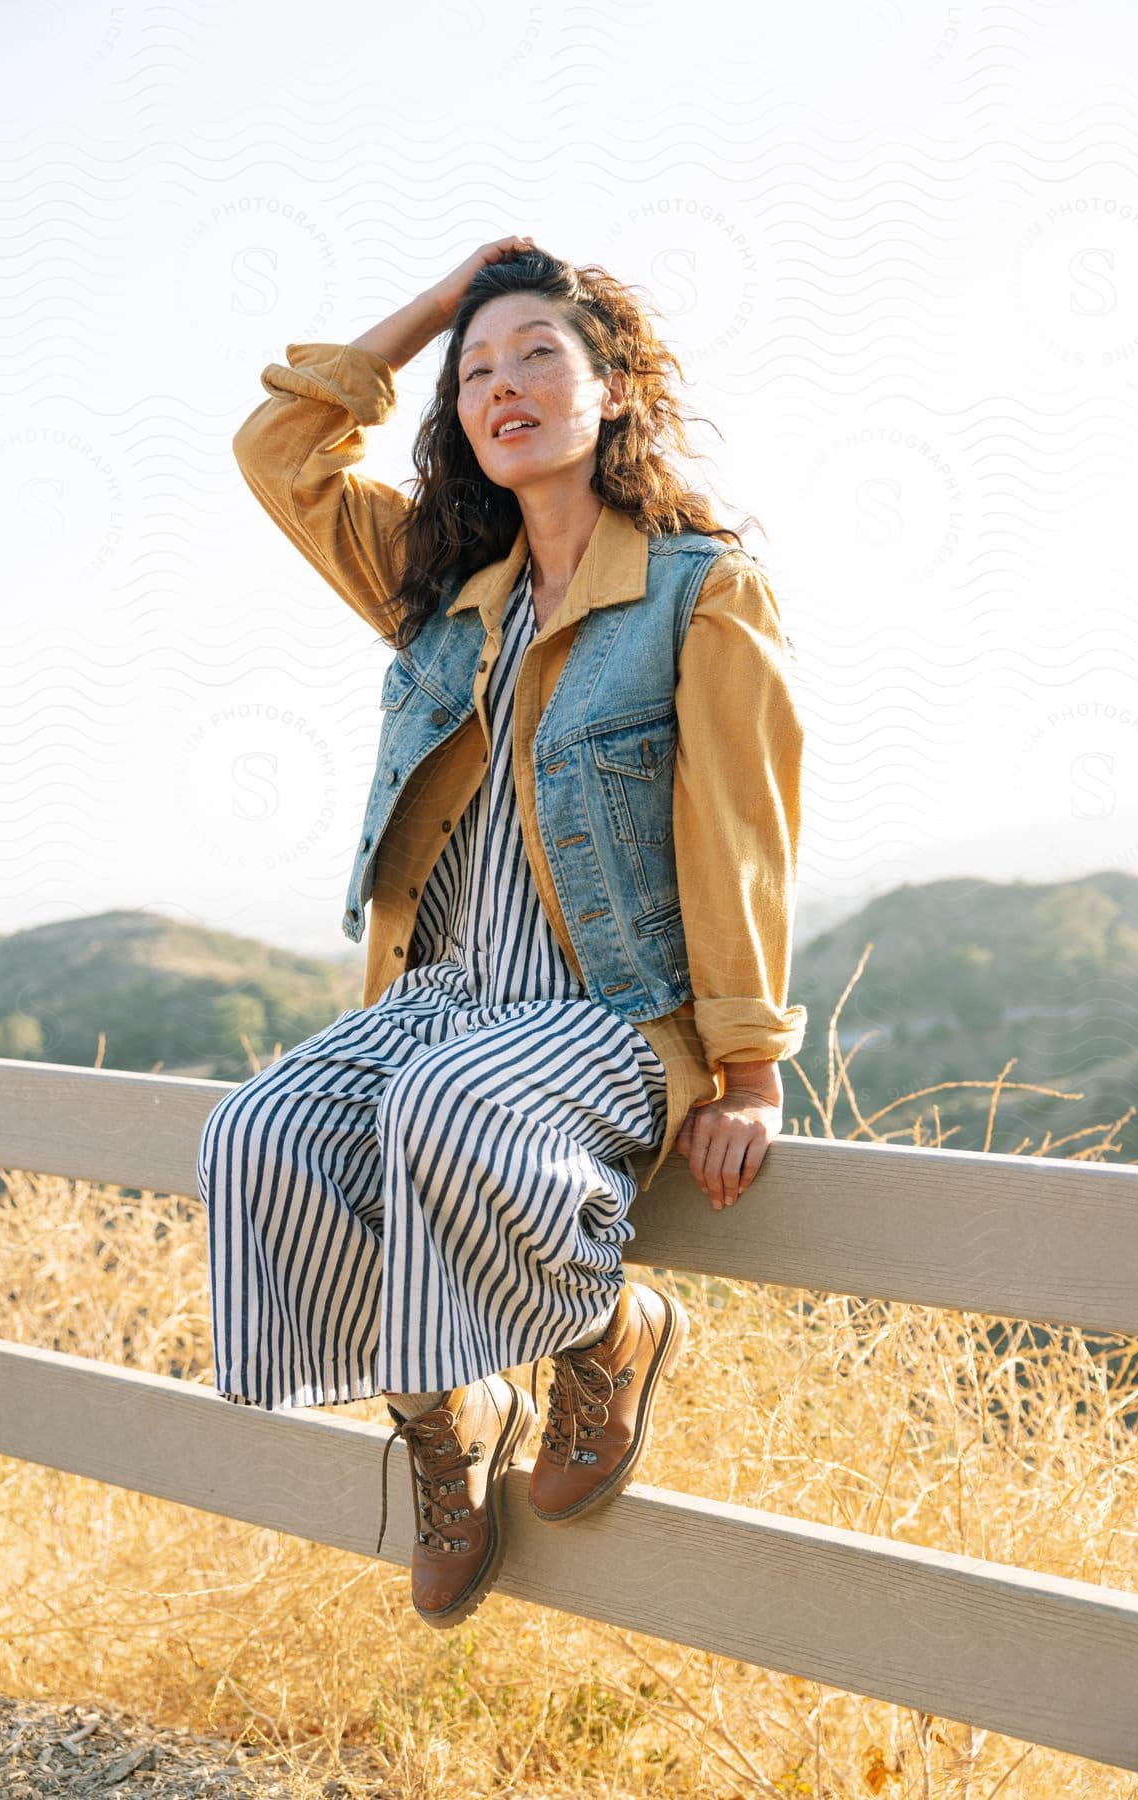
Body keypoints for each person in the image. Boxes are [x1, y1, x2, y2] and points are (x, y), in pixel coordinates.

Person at [196, 237, 807, 1630]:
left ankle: (603, 1334)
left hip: (610, 1011)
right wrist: (438, 302)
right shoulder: (441, 591)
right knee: (260, 1136)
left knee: (444, 1109)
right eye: (477, 371)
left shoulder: (699, 592)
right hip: (445, 997)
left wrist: (749, 1067)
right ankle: (445, 1413)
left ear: (612, 391)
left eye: (539, 353)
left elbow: (742, 834)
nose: (503, 383)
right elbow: (280, 448)